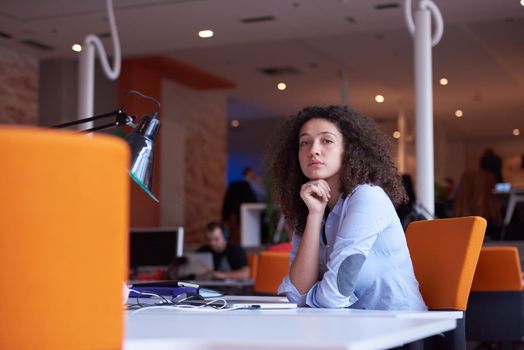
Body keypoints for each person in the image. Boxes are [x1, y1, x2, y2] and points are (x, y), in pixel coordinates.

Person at [265, 105, 427, 310]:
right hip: (349, 326)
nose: (313, 150)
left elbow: (332, 296)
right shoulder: (309, 206)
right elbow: (297, 293)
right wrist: (314, 215)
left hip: (400, 328)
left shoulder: (367, 197)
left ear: (349, 150)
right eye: (304, 142)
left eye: (327, 140)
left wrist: (310, 295)